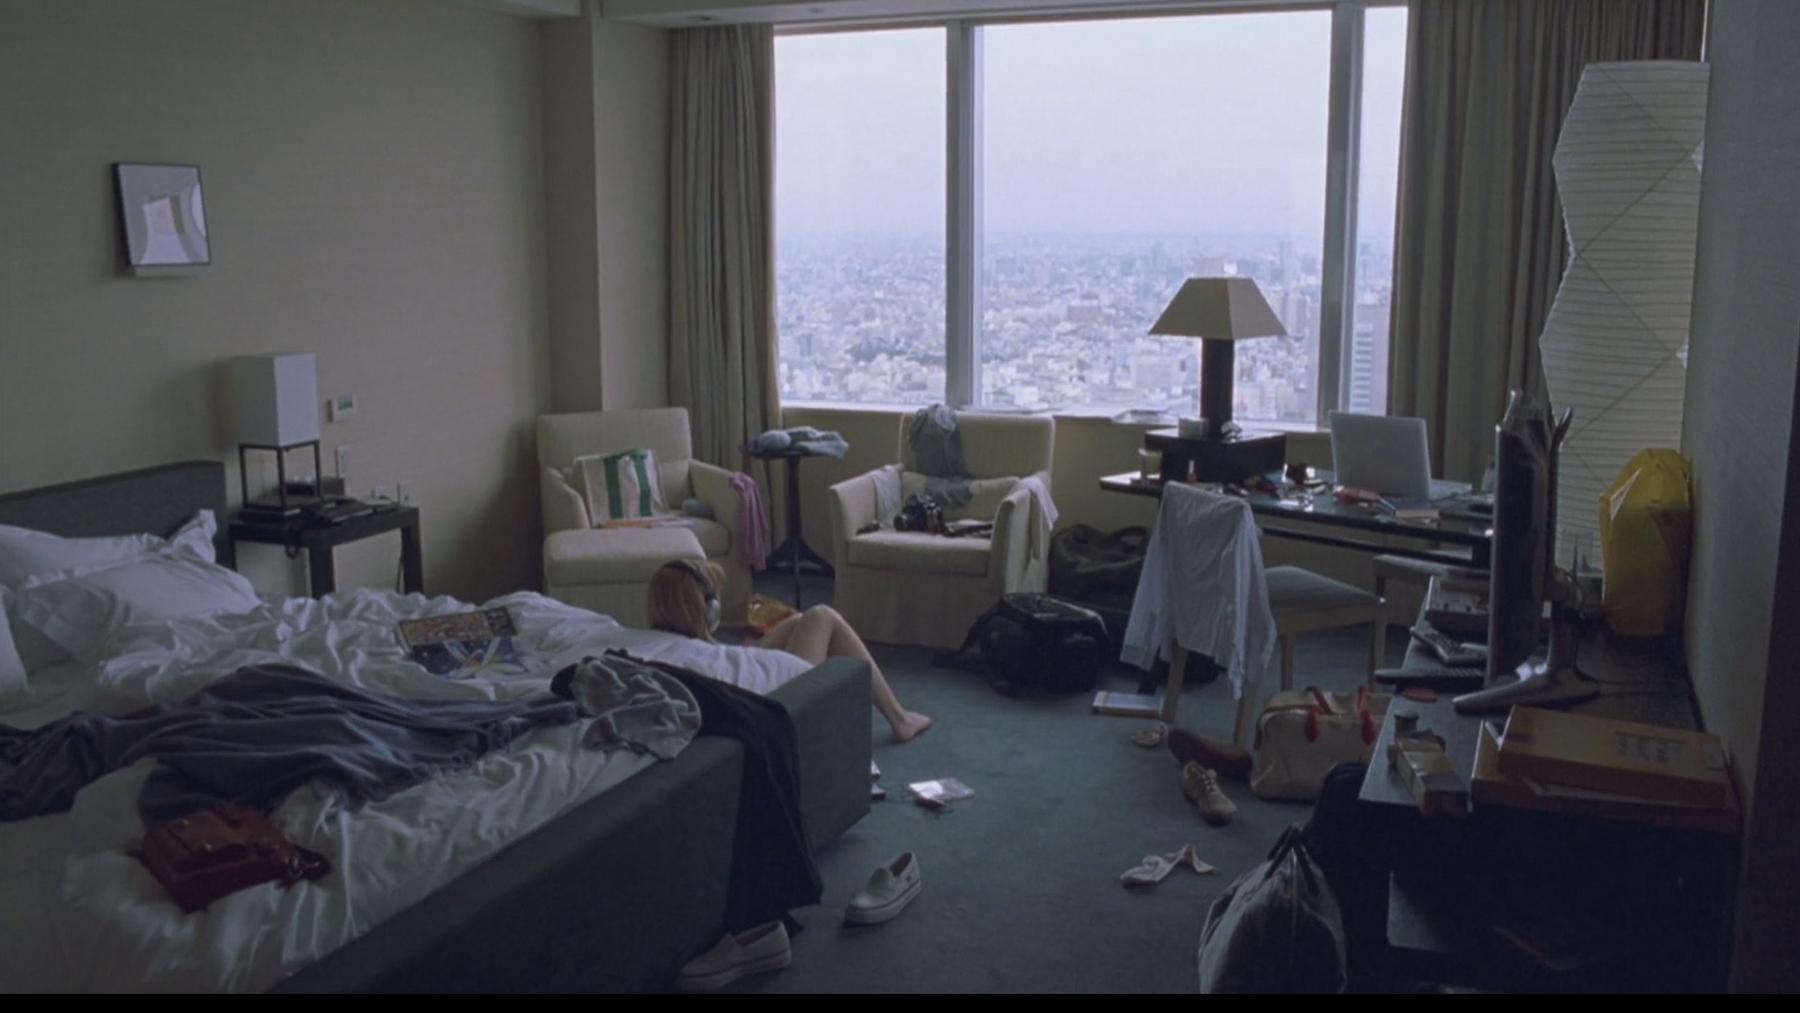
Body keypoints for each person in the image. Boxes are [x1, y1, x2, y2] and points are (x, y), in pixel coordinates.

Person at [646, 560, 933, 742]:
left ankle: (900, 717)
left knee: (798, 621)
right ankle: (900, 719)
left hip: (736, 685)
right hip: (779, 701)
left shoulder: (651, 645)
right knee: (823, 615)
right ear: (709, 611)